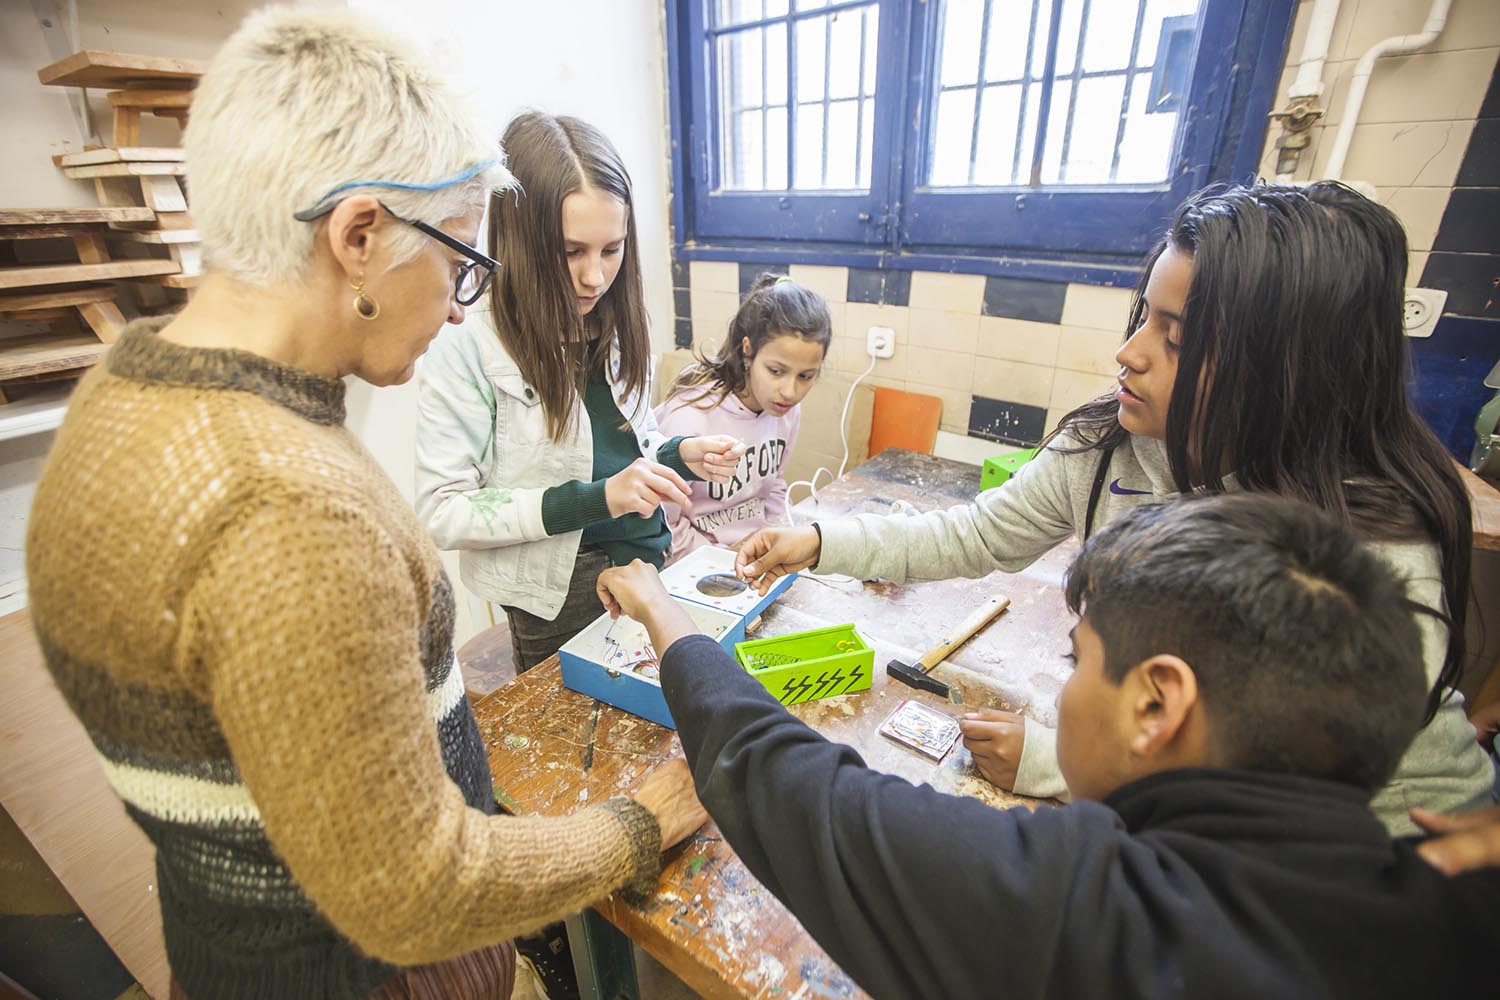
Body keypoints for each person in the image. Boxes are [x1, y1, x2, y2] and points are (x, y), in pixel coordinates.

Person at [25, 11, 705, 999]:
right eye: (459, 261)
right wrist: (641, 823)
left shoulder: (121, 396)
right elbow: (414, 893)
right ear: (358, 236)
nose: (463, 303)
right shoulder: (287, 513)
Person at [732, 181, 1497, 834]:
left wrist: (1060, 763)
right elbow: (980, 530)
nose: (1129, 354)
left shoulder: (1367, 549)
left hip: (1382, 856)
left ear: (1288, 376)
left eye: (1177, 338)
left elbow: (1265, 785)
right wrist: (822, 539)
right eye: (1143, 317)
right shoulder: (1114, 441)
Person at [596, 495, 1500, 998]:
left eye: (1079, 660)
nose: (1063, 689)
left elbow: (790, 785)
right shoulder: (1454, 900)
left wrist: (669, 618)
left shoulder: (1084, 913)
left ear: (1157, 704)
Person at [415, 111, 742, 672]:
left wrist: (676, 455)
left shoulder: (617, 319)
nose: (595, 277)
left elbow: (623, 449)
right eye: (571, 252)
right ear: (520, 239)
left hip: (649, 566)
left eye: (612, 250)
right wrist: (598, 499)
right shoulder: (469, 340)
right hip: (557, 595)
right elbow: (443, 511)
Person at [654, 273, 830, 560]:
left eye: (806, 376)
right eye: (776, 371)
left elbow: (773, 486)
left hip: (749, 556)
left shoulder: (785, 411)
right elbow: (664, 526)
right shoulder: (689, 418)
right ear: (748, 350)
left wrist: (781, 534)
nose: (790, 392)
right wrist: (723, 559)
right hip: (694, 561)